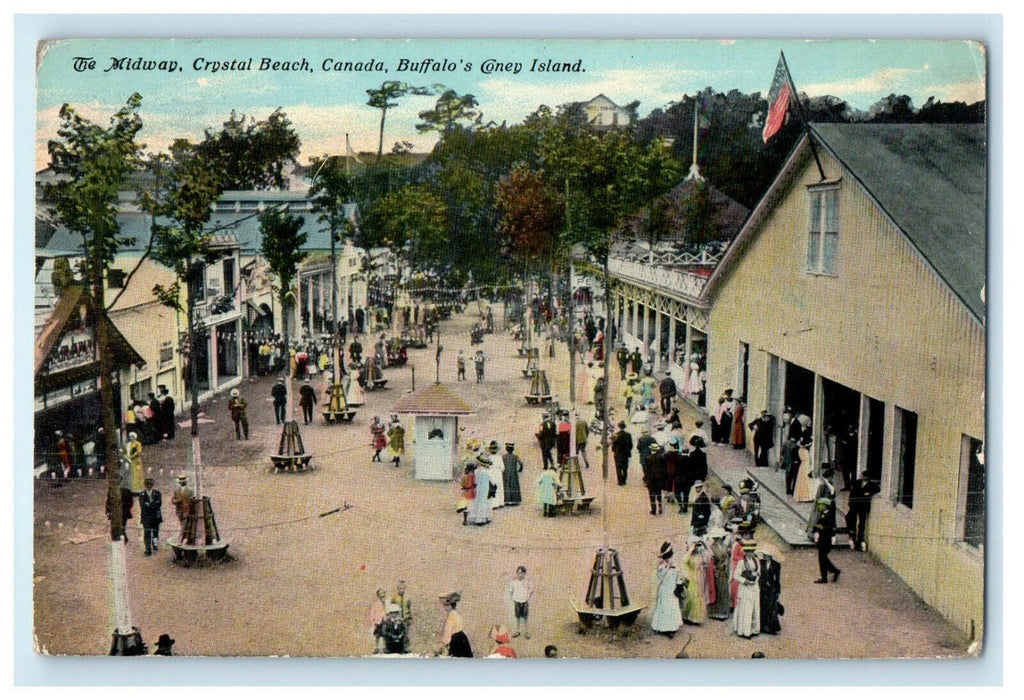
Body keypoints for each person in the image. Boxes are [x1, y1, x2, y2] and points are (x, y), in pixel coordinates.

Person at [650, 542, 683, 637]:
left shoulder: (675, 565)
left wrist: (679, 585)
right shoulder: (661, 566)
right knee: (664, 607)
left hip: (672, 590)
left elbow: (679, 577)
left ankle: (671, 627)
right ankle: (662, 627)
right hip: (664, 589)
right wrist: (668, 568)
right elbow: (660, 576)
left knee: (671, 607)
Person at [732, 540, 761, 638]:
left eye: (752, 551)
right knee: (746, 609)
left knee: (754, 608)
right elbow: (735, 575)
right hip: (745, 588)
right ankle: (745, 631)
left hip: (754, 587)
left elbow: (759, 572)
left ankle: (754, 629)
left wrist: (755, 577)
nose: (751, 553)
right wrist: (745, 581)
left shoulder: (756, 561)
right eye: (749, 551)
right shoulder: (741, 562)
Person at [846, 470, 881, 551]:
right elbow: (852, 493)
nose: (860, 477)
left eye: (862, 475)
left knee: (861, 523)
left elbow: (876, 490)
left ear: (866, 477)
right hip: (854, 505)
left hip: (863, 507)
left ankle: (859, 540)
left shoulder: (872, 485)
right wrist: (850, 502)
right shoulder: (857, 483)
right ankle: (852, 536)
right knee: (850, 519)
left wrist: (868, 494)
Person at [812, 486, 841, 584]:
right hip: (822, 540)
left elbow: (828, 528)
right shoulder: (823, 514)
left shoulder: (829, 516)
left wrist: (820, 527)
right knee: (822, 559)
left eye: (821, 505)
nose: (819, 506)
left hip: (826, 540)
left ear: (825, 505)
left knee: (823, 559)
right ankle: (828, 574)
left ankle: (830, 573)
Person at [437, 593, 473, 657]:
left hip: (456, 640)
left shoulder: (451, 615)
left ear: (451, 606)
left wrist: (444, 643)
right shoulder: (457, 614)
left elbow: (448, 630)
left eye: (447, 606)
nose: (445, 608)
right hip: (462, 637)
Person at [505, 566, 535, 638]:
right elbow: (511, 591)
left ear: (524, 574)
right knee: (517, 617)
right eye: (519, 573)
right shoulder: (513, 582)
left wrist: (527, 598)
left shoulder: (527, 581)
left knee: (525, 618)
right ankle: (517, 631)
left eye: (522, 573)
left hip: (524, 602)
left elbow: (531, 590)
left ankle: (526, 632)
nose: (520, 575)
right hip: (517, 602)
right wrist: (515, 598)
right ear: (517, 573)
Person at [138, 478, 162, 556]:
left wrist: (151, 505)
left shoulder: (157, 493)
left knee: (155, 532)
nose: (149, 486)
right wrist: (152, 505)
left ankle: (155, 544)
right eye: (147, 485)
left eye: (150, 485)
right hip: (146, 517)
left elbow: (159, 503)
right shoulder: (142, 494)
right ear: (145, 485)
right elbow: (142, 505)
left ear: (152, 485)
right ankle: (148, 549)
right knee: (147, 533)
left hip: (155, 516)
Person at [468, 453, 493, 526]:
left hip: (477, 489)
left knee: (476, 502)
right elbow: (491, 481)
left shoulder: (476, 472)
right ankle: (485, 517)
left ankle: (475, 517)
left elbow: (474, 481)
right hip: (485, 489)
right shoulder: (488, 472)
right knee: (485, 502)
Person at [642, 442, 667, 516]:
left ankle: (653, 510)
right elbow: (664, 469)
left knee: (651, 495)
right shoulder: (662, 457)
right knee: (659, 493)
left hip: (651, 479)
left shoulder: (648, 458)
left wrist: (645, 479)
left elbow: (646, 470)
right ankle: (660, 506)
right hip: (659, 479)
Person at [837, 424, 859, 491]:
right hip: (846, 456)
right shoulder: (845, 435)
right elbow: (841, 443)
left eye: (851, 427)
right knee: (845, 472)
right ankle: (847, 486)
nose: (850, 429)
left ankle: (854, 484)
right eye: (849, 427)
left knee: (853, 472)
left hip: (853, 456)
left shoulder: (856, 436)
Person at [611, 421, 633, 486]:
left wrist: (615, 450)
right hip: (625, 454)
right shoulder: (628, 435)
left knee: (618, 468)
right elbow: (631, 445)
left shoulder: (616, 435)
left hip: (618, 454)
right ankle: (624, 480)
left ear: (619, 427)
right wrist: (627, 450)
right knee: (625, 468)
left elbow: (613, 445)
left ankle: (620, 481)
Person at [368, 587, 387, 653]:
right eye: (381, 596)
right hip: (378, 622)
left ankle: (385, 647)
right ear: (378, 596)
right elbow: (372, 614)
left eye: (383, 596)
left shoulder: (386, 603)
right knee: (377, 635)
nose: (382, 598)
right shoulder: (375, 604)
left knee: (385, 635)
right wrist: (374, 622)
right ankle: (376, 648)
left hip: (384, 622)